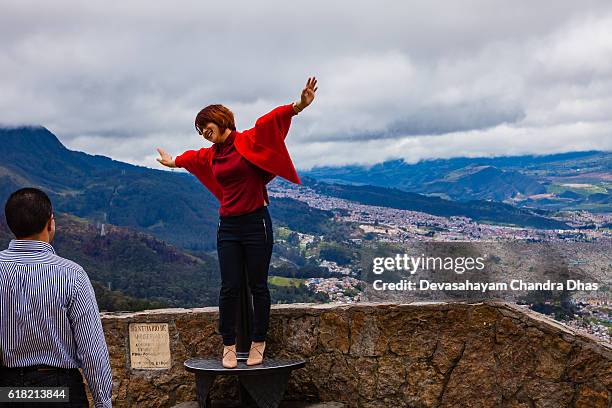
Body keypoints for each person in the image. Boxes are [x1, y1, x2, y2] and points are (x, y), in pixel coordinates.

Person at [156, 77, 318, 368]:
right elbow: (193, 158)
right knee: (229, 287)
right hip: (228, 227)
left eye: (207, 127)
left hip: (257, 222)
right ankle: (228, 345)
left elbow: (270, 122)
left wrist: (298, 106)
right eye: (200, 130)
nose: (204, 133)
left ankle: (259, 341)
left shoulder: (248, 141)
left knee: (258, 286)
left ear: (221, 120)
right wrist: (174, 162)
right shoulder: (211, 155)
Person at [0, 188, 113, 408]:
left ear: (10, 224)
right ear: (50, 222)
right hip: (60, 390)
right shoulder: (72, 275)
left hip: (9, 390)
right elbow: (92, 351)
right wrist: (103, 402)